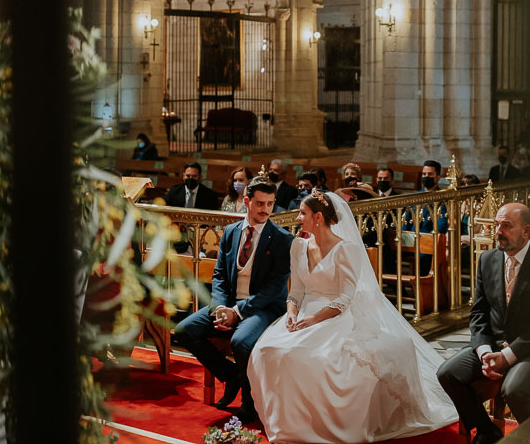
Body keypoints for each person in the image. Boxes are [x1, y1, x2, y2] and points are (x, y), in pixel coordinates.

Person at [247, 192, 458, 442]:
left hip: (334, 316)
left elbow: (345, 298)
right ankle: (284, 423)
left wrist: (315, 320)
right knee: (267, 349)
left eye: (302, 213)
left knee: (305, 357)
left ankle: (314, 427)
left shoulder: (346, 249)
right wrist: (292, 313)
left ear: (318, 217)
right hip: (302, 313)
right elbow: (296, 291)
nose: (297, 217)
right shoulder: (298, 245)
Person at [437, 203, 530, 443]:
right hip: (494, 343)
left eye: (506, 225)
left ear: (526, 230)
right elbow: (478, 314)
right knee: (447, 373)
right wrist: (485, 351)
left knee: (514, 388)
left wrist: (507, 356)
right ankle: (488, 431)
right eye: (497, 224)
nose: (498, 231)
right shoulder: (487, 259)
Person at [174, 177, 293, 424]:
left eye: (270, 204)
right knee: (184, 330)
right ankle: (230, 375)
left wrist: (236, 312)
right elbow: (219, 274)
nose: (265, 209)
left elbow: (273, 290)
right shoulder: (230, 232)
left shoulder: (282, 239)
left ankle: (250, 403)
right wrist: (219, 307)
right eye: (260, 203)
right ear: (247, 202)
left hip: (262, 308)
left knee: (240, 342)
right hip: (228, 303)